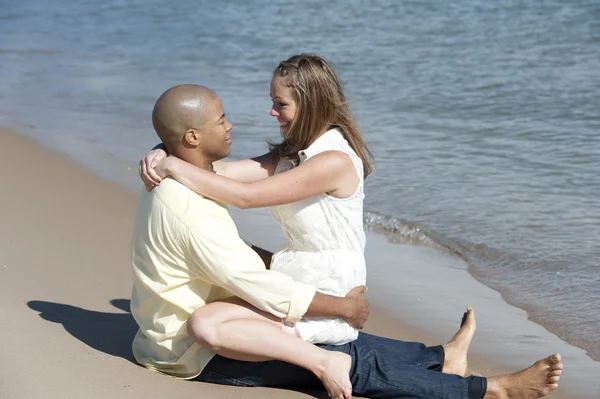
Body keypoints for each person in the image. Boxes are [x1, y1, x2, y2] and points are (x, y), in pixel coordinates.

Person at [132, 83, 563, 399]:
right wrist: (342, 306)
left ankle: (441, 358)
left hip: (176, 334)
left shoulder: (182, 184)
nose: (234, 124)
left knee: (312, 331)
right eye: (221, 119)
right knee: (336, 354)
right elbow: (256, 276)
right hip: (195, 353)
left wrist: (163, 153)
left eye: (279, 104)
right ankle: (491, 391)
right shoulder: (188, 206)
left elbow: (228, 246)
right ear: (192, 137)